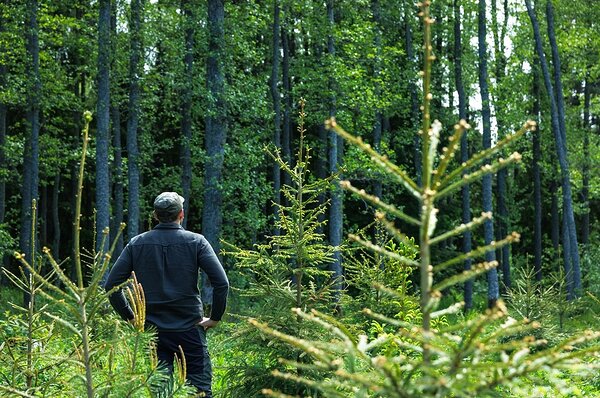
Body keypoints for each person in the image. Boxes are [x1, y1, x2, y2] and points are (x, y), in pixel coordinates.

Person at [104, 192, 229, 397]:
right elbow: (221, 283)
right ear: (181, 214)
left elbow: (111, 285)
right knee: (199, 391)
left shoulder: (137, 243)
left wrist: (131, 317)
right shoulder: (197, 242)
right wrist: (215, 317)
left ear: (155, 215)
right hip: (190, 330)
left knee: (158, 391)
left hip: (153, 332)